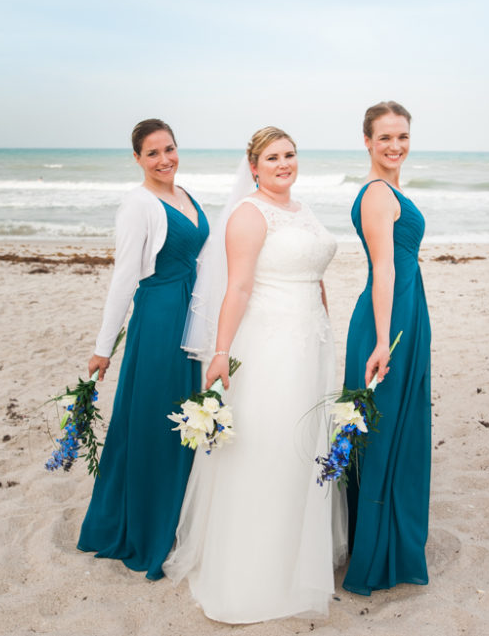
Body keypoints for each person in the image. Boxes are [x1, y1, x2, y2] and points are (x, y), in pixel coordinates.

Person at [163, 127, 345, 623]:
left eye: (290, 155)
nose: (284, 163)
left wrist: (329, 332)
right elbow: (238, 287)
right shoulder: (248, 213)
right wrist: (220, 351)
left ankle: (295, 558)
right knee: (269, 448)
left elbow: (317, 279)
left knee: (304, 448)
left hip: (314, 343)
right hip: (271, 346)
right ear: (254, 165)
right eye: (273, 157)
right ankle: (252, 575)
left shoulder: (302, 209)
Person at [77, 119, 209, 580]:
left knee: (187, 417)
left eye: (169, 149)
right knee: (156, 418)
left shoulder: (187, 196)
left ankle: (177, 516)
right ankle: (148, 524)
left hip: (191, 316)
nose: (164, 159)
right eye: (152, 153)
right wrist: (103, 347)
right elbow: (124, 277)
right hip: (157, 318)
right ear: (137, 159)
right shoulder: (137, 204)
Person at [342, 101, 431, 595]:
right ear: (368, 142)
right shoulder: (377, 193)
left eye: (402, 137)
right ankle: (376, 553)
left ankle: (389, 544)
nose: (395, 146)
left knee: (398, 429)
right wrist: (382, 339)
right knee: (381, 435)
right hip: (388, 322)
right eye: (385, 138)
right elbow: (385, 269)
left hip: (405, 314)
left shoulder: (391, 189)